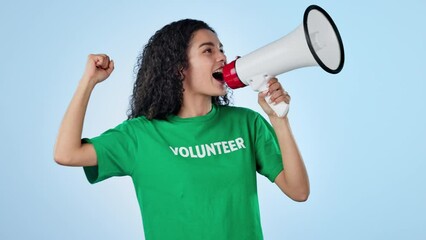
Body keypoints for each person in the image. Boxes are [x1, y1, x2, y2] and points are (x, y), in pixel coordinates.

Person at [54, 19, 309, 240]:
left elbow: (298, 191)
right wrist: (88, 82)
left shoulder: (247, 123)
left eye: (221, 49)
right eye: (208, 51)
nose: (222, 57)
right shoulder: (140, 135)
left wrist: (280, 120)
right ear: (178, 69)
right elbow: (66, 154)